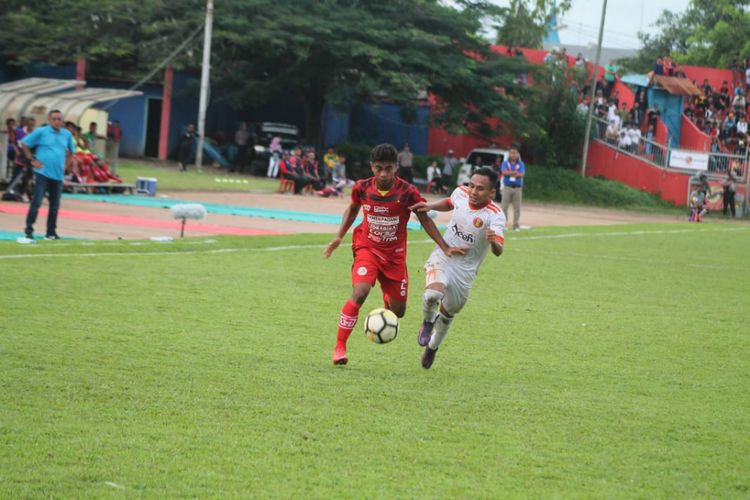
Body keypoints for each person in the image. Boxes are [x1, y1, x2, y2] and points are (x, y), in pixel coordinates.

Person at [323, 143, 465, 365]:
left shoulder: (407, 192)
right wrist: (340, 236)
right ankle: (340, 348)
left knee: (398, 312)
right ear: (372, 167)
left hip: (394, 257)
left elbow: (425, 219)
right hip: (366, 248)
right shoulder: (361, 188)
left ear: (396, 168)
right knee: (359, 293)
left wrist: (445, 246)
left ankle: (387, 293)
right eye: (379, 168)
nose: (383, 173)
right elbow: (352, 209)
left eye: (388, 168)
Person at [410, 167, 505, 369]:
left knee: (447, 314)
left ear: (491, 192)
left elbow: (499, 250)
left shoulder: (495, 215)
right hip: (444, 255)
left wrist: (494, 242)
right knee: (432, 295)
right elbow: (450, 203)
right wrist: (430, 206)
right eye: (472, 185)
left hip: (466, 270)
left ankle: (432, 348)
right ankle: (427, 322)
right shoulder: (460, 192)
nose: (473, 191)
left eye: (480, 188)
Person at [21, 109, 76, 240]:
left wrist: (66, 166)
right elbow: (24, 143)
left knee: (55, 205)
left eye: (59, 119)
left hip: (58, 176)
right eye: (54, 119)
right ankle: (29, 231)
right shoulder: (42, 131)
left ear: (62, 121)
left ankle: (51, 232)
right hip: (42, 173)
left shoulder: (67, 134)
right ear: (49, 120)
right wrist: (32, 159)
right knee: (37, 202)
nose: (57, 121)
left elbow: (71, 151)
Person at [500, 147, 525, 231]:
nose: (513, 155)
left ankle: (516, 225)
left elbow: (521, 174)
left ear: (518, 154)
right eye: (512, 153)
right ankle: (503, 225)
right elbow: (504, 172)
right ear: (509, 154)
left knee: (517, 207)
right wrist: (514, 173)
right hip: (507, 187)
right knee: (504, 207)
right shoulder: (505, 163)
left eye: (515, 153)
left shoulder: (521, 164)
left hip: (517, 188)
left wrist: (509, 173)